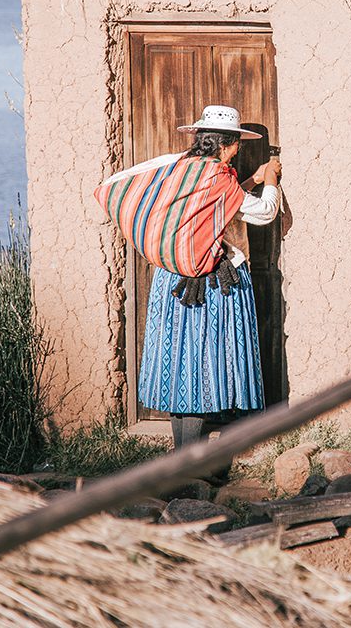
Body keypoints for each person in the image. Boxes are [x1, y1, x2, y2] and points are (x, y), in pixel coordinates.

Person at [96, 105, 282, 450]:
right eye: (237, 144)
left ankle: (181, 457)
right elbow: (263, 213)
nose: (237, 150)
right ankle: (193, 463)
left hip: (170, 280)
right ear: (228, 145)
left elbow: (209, 206)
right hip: (205, 286)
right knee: (199, 367)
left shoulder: (181, 168)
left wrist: (251, 180)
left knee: (179, 364)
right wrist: (270, 181)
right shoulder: (219, 178)